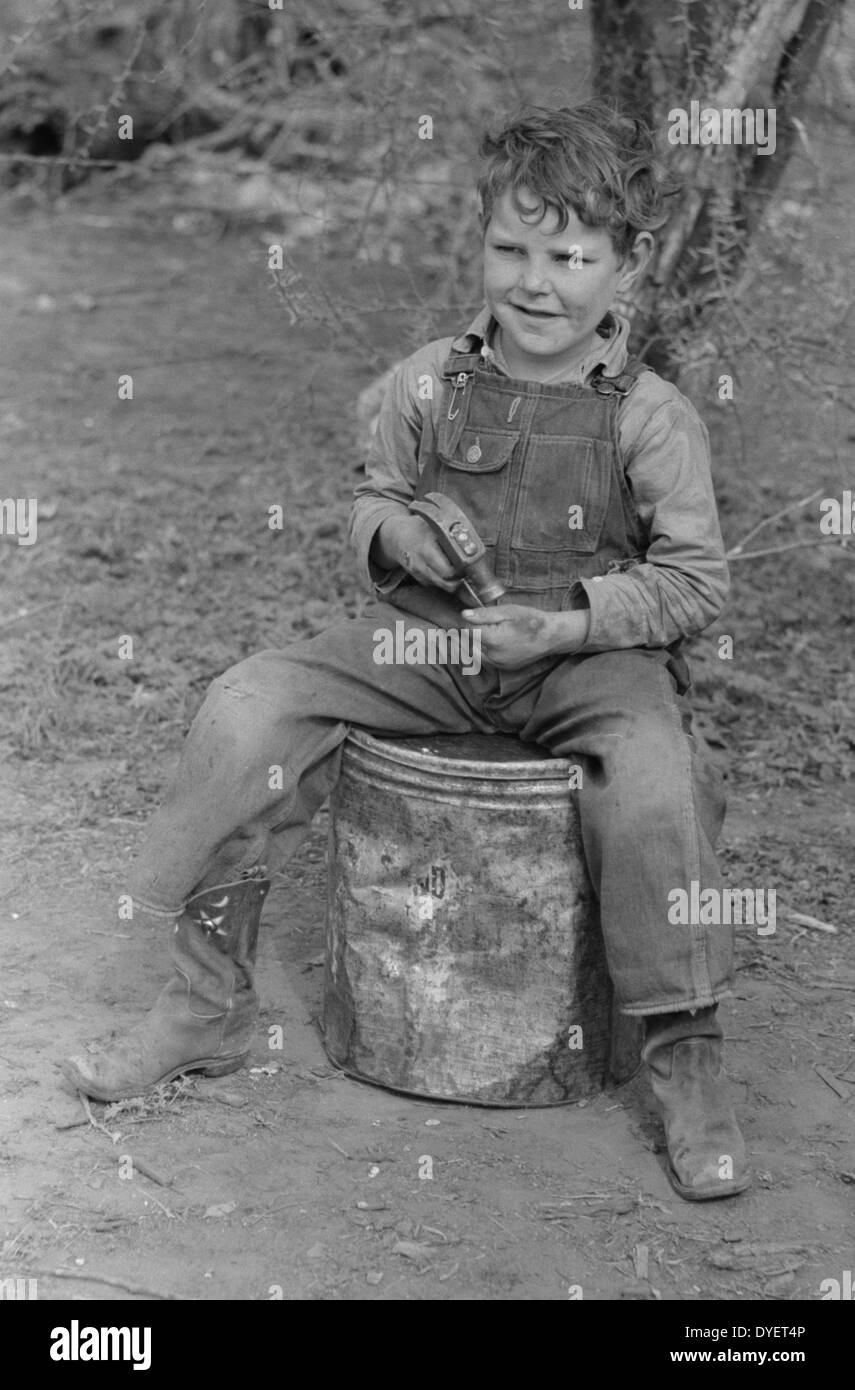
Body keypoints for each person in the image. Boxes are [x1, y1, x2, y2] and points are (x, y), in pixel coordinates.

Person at [62, 99, 749, 1202]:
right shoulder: (431, 378)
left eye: (570, 255)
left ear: (627, 268)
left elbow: (693, 585)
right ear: (480, 244)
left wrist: (570, 620)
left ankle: (686, 1058)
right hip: (431, 641)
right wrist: (400, 533)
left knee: (659, 784)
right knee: (252, 706)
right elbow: (368, 501)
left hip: (585, 661)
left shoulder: (653, 416)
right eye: (510, 248)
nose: (536, 280)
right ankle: (205, 1004)